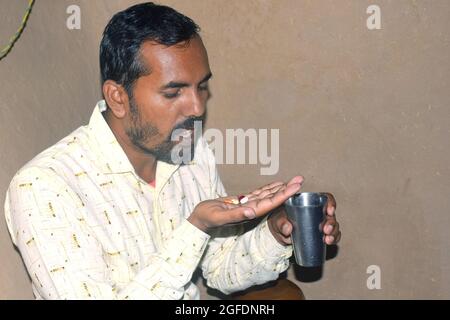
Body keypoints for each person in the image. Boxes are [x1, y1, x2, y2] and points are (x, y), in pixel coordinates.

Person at [4, 2, 341, 300]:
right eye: (173, 92)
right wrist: (195, 228)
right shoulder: (44, 187)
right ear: (117, 98)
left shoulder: (190, 153)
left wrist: (276, 231)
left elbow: (221, 269)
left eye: (202, 86)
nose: (196, 107)